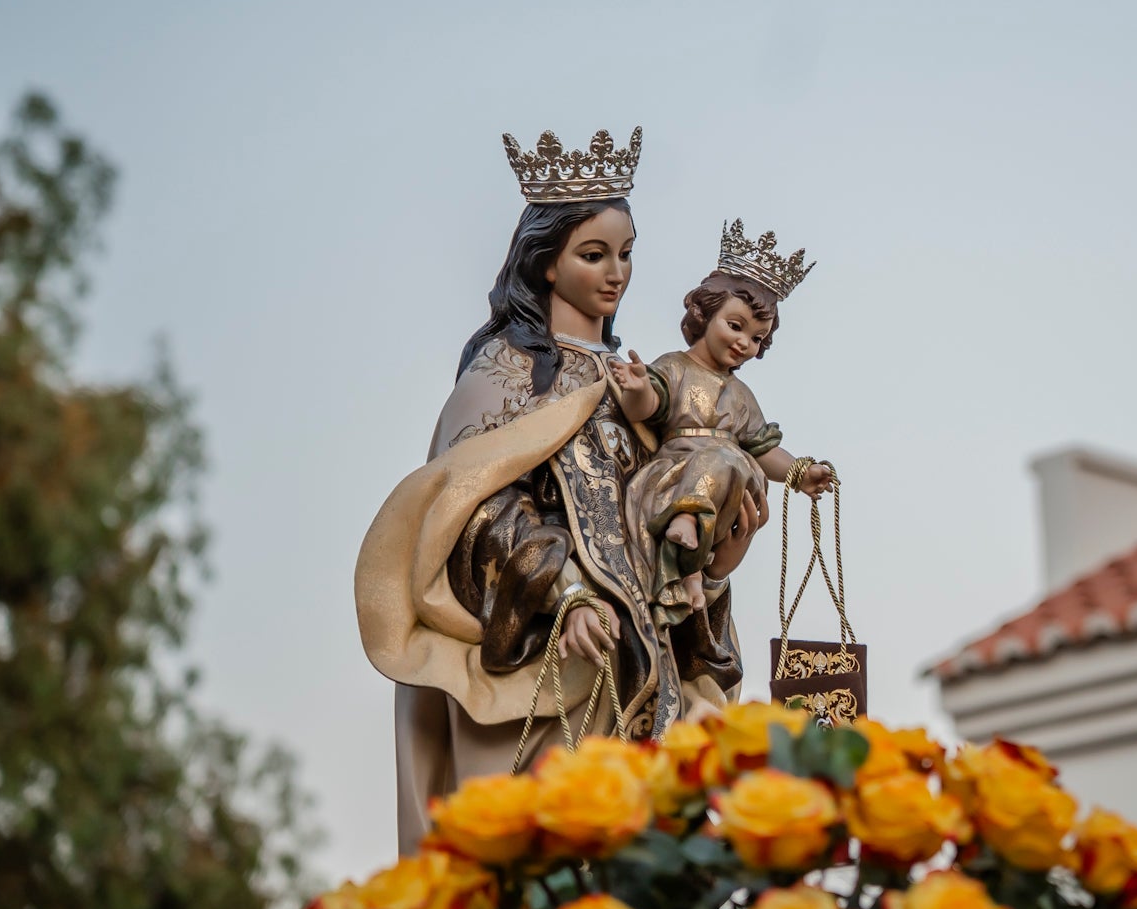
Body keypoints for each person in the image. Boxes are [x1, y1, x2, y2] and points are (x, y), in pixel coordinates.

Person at [354, 128, 763, 853]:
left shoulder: (638, 387)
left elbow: (657, 526)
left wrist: (714, 561)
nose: (617, 274)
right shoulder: (503, 376)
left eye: (626, 253)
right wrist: (566, 590)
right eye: (594, 254)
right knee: (542, 866)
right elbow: (469, 514)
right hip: (547, 669)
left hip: (643, 675)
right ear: (546, 262)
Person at [609, 221, 833, 621]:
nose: (745, 343)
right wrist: (639, 387)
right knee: (725, 459)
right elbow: (647, 408)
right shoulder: (675, 367)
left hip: (728, 487)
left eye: (758, 338)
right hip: (676, 473)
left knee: (737, 463)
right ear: (704, 314)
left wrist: (800, 473)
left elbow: (761, 448)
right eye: (735, 326)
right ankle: (685, 532)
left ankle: (695, 565)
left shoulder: (742, 396)